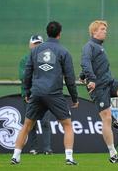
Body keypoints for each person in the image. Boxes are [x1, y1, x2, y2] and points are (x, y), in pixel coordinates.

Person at [11, 21, 79, 165]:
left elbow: (27, 73)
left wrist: (27, 92)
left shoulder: (35, 51)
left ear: (47, 33)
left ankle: (15, 156)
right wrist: (74, 98)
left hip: (37, 92)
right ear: (60, 34)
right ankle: (69, 158)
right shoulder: (64, 52)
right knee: (67, 125)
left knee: (27, 125)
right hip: (54, 94)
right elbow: (70, 78)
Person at [80, 20, 118, 163]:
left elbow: (92, 65)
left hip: (109, 82)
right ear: (94, 32)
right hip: (98, 87)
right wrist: (91, 79)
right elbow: (85, 62)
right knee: (106, 119)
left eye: (105, 29)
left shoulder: (99, 47)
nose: (105, 31)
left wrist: (83, 75)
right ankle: (113, 154)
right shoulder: (89, 46)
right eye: (102, 29)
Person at [18, 35, 53, 155]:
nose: (37, 46)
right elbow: (23, 77)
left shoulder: (47, 59)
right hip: (29, 95)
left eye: (39, 44)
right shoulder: (25, 59)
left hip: (45, 94)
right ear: (30, 45)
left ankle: (47, 149)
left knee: (45, 122)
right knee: (30, 123)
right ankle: (33, 149)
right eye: (35, 44)